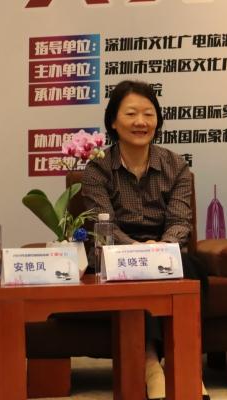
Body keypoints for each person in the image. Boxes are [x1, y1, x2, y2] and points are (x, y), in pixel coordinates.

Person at [82, 80, 209, 400]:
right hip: (114, 254)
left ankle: (184, 366)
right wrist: (137, 251)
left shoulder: (176, 165)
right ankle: (152, 366)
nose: (141, 122)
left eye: (148, 114)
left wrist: (160, 249)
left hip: (167, 250)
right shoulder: (97, 168)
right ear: (113, 121)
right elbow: (102, 227)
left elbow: (180, 221)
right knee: (138, 270)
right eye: (131, 114)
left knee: (189, 269)